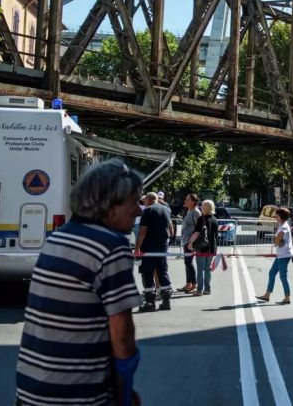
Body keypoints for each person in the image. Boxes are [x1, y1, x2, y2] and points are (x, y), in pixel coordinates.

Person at [16, 159, 144, 406]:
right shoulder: (111, 247)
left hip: (32, 387)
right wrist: (123, 393)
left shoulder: (59, 237)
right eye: (134, 202)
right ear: (110, 207)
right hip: (77, 393)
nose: (138, 211)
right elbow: (122, 335)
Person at [135, 192, 174, 312]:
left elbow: (143, 231)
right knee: (163, 272)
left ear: (148, 200)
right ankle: (166, 302)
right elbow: (171, 229)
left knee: (147, 273)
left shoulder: (147, 211)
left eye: (144, 200)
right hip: (162, 247)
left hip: (148, 248)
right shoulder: (166, 210)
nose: (143, 202)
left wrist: (137, 248)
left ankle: (150, 302)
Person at [256, 208, 293, 304]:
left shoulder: (284, 226)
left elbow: (278, 240)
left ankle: (287, 297)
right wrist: (278, 241)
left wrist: (277, 241)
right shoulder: (282, 224)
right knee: (272, 273)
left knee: (282, 276)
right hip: (281, 254)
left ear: (281, 216)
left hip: (284, 254)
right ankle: (267, 295)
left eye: (276, 215)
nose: (275, 217)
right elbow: (279, 240)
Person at [188, 200, 218, 296]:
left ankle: (199, 290)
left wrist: (190, 242)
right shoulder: (215, 220)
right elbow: (216, 235)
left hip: (201, 247)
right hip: (212, 247)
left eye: (202, 206)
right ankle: (207, 289)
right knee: (208, 268)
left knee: (200, 269)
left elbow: (197, 233)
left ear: (205, 208)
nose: (201, 207)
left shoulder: (201, 219)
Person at [178, 193, 200, 294]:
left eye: (187, 200)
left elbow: (199, 228)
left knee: (189, 262)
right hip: (186, 240)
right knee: (187, 262)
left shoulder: (196, 212)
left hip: (191, 242)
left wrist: (193, 241)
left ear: (193, 202)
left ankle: (194, 285)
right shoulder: (189, 211)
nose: (185, 201)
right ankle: (188, 284)